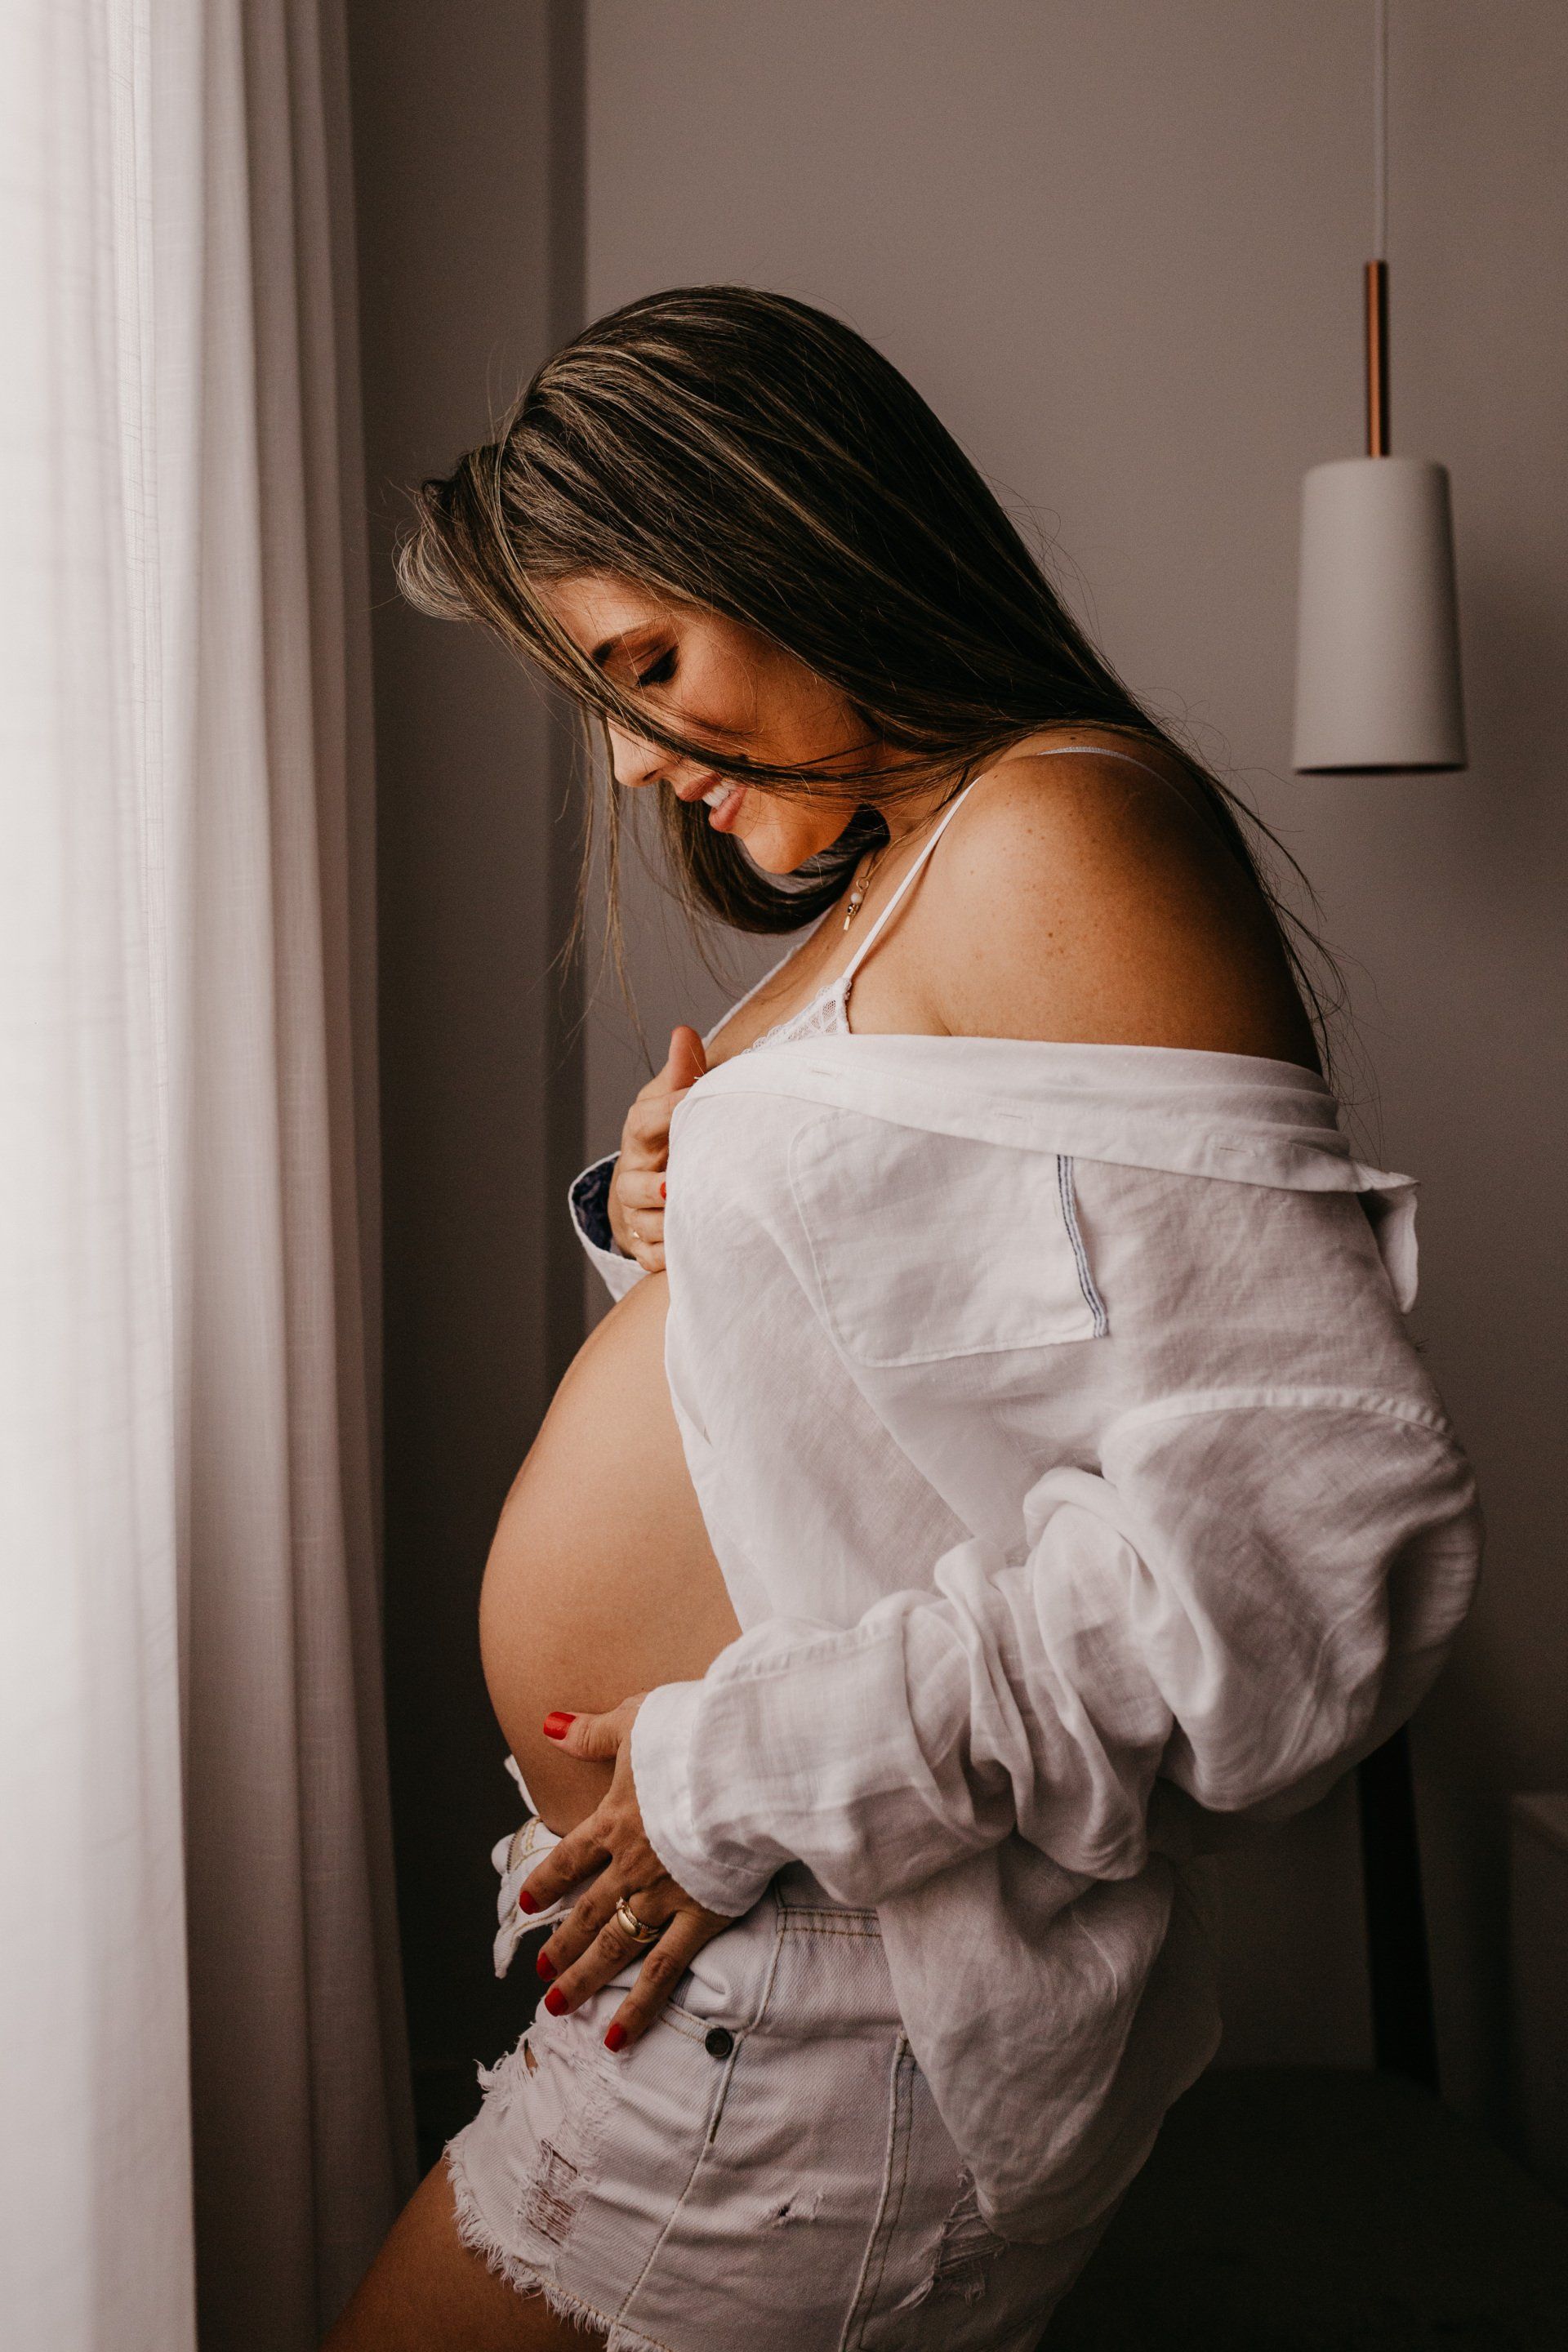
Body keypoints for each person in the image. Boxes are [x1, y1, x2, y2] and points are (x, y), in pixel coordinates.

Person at [325, 287, 1481, 2352]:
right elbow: (928, 1390)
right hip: (744, 1991)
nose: (630, 760)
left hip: (831, 2005)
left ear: (796, 536)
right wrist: (679, 1229)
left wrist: (741, 1777)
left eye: (647, 665)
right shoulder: (917, 866)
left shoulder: (1056, 829)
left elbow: (1313, 1561)